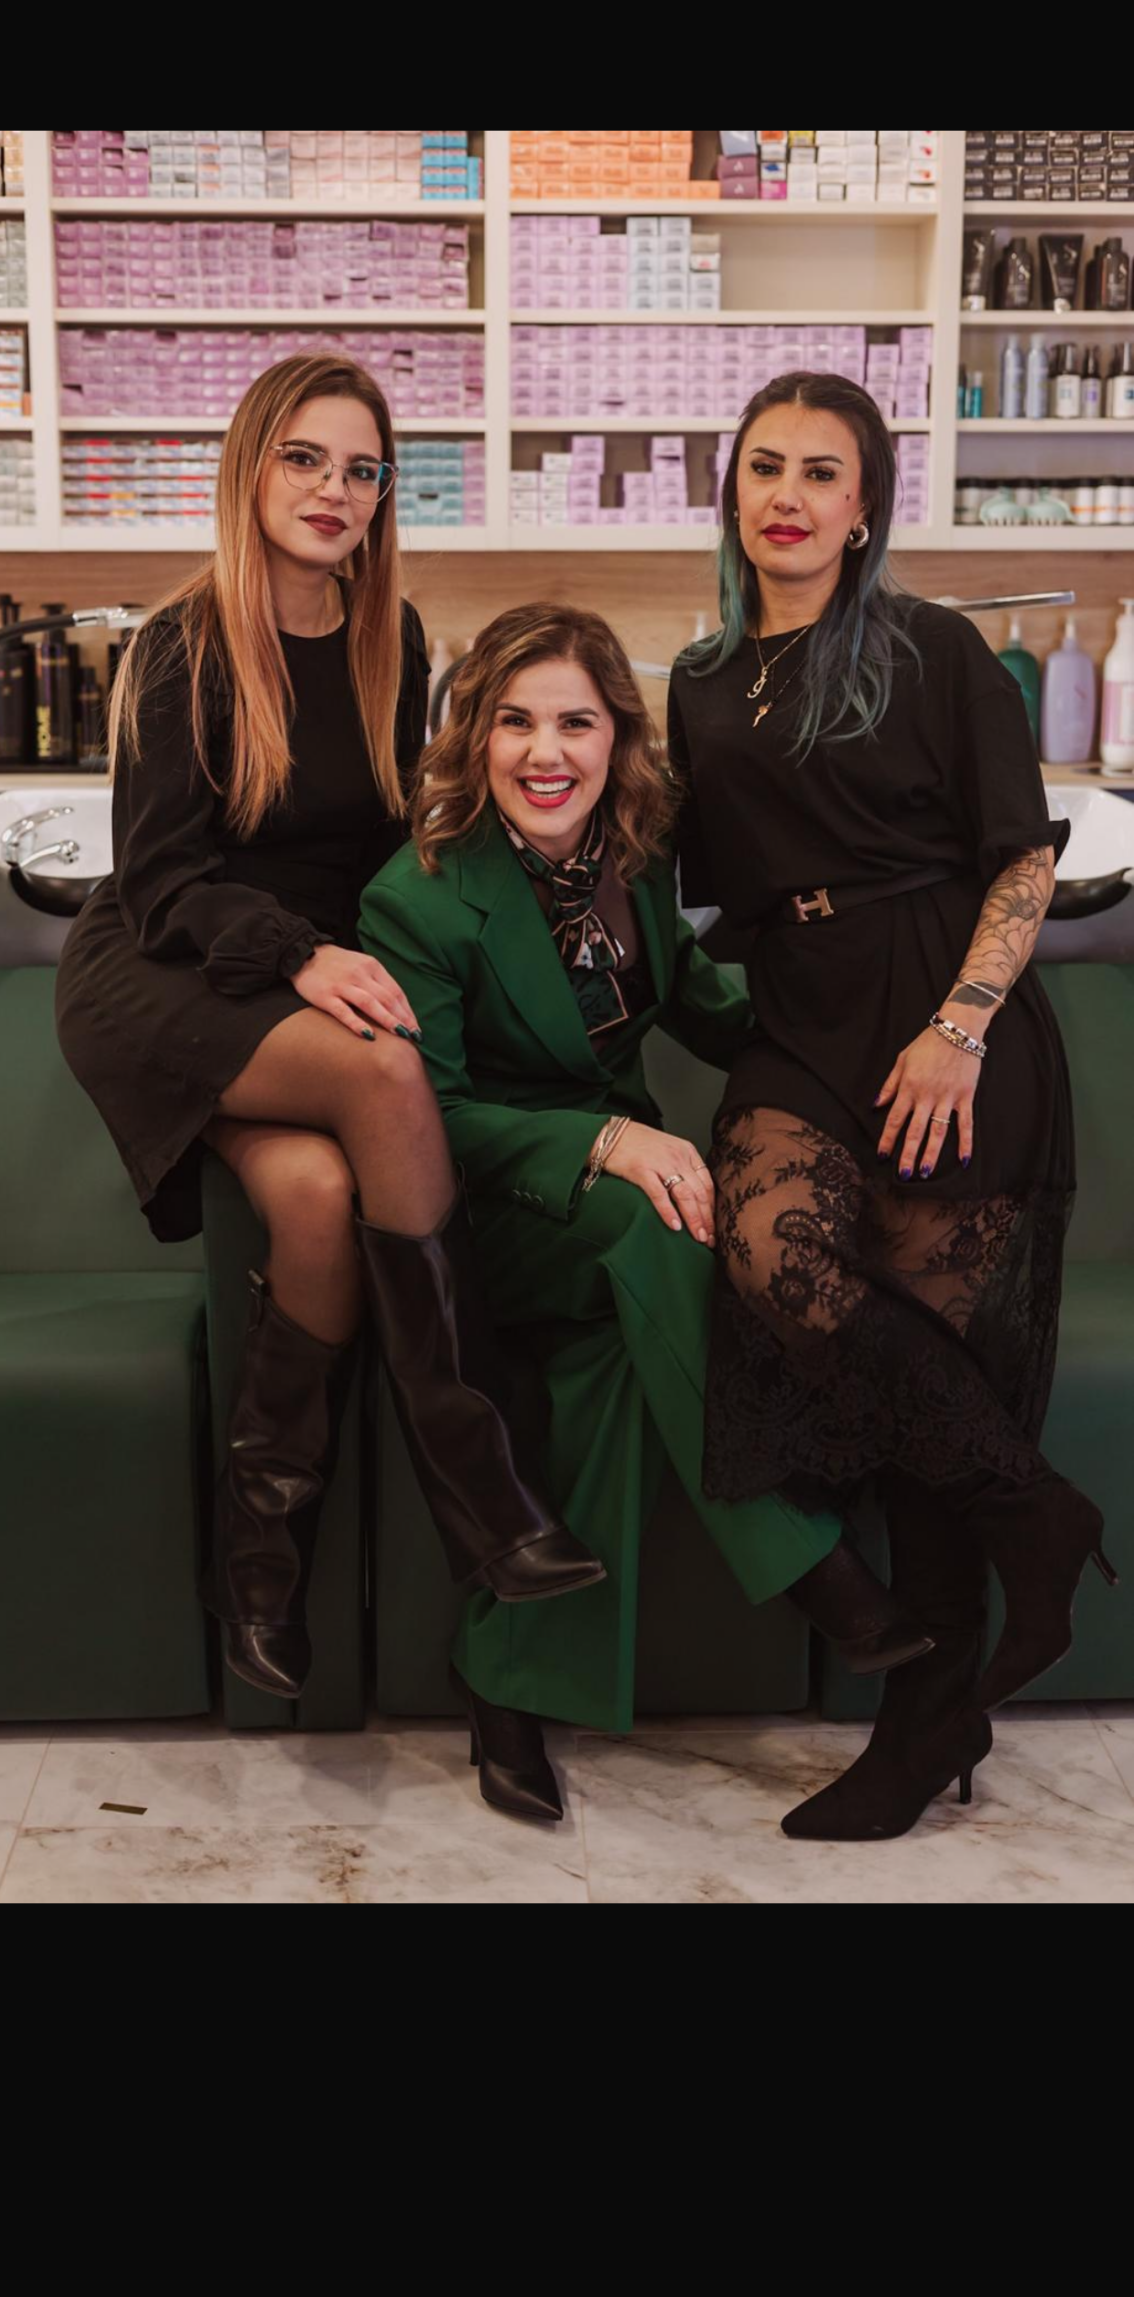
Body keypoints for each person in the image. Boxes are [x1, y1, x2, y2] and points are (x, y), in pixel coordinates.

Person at [56, 355, 601, 1706]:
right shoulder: (184, 643)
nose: (333, 490)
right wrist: (303, 958)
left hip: (291, 976)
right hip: (164, 969)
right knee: (385, 1070)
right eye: (304, 458)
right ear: (252, 466)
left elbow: (370, 849)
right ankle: (484, 1488)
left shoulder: (386, 634)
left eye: (361, 469)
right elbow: (162, 879)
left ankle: (257, 1570)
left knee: (311, 1200)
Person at [359, 600, 931, 1826]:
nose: (544, 751)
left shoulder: (637, 857)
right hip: (494, 1208)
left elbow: (696, 1000)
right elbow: (428, 1116)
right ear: (473, 734)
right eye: (514, 721)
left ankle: (506, 1686)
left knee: (611, 1367)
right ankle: (813, 1564)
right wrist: (603, 1141)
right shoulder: (417, 897)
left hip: (616, 1205)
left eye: (574, 721)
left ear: (616, 736)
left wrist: (846, 1048)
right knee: (653, 1226)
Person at [668, 370, 1116, 1842]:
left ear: (865, 507)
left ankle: (926, 1720)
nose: (787, 495)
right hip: (798, 1018)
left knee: (929, 1336)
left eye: (821, 472)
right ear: (731, 489)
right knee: (769, 1251)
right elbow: (699, 880)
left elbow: (1022, 857)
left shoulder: (931, 649)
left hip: (943, 1013)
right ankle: (1031, 1510)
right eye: (764, 466)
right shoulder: (700, 676)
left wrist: (960, 1023)